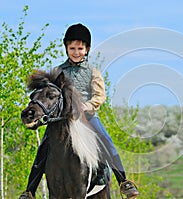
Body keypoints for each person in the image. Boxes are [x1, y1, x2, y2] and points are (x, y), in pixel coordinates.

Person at [19, 23, 139, 199]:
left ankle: (124, 181)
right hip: (62, 119)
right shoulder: (58, 71)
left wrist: (87, 106)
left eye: (80, 48)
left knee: (106, 141)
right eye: (72, 48)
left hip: (87, 117)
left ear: (87, 49)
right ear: (66, 48)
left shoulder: (93, 72)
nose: (76, 52)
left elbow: (100, 96)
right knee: (43, 148)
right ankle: (30, 190)